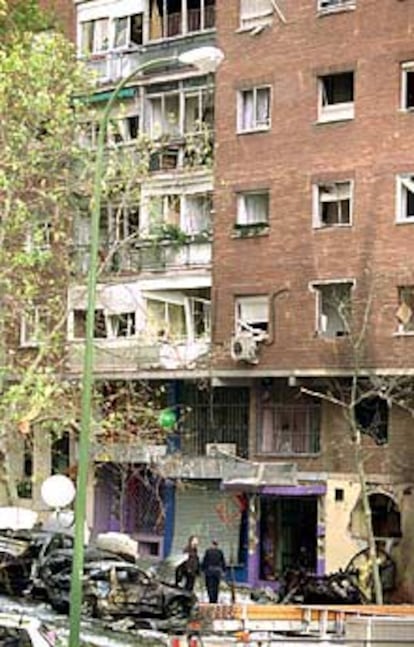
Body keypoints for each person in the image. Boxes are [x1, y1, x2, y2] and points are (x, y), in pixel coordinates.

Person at [202, 539, 226, 603]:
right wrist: (224, 571)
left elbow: (205, 561)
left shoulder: (208, 551)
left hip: (209, 571)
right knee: (216, 586)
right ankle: (215, 599)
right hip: (217, 572)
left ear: (212, 544)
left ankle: (211, 599)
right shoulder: (220, 552)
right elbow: (223, 562)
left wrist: (203, 569)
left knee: (210, 586)